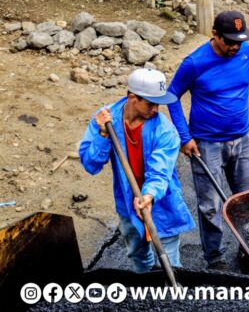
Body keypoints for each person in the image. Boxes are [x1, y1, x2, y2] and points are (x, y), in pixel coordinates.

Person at [168, 10, 249, 271]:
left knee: (248, 199)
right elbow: (172, 96)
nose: (235, 47)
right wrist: (185, 137)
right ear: (214, 34)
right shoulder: (195, 63)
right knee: (210, 206)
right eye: (230, 41)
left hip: (242, 139)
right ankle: (215, 259)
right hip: (206, 145)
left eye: (239, 41)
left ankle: (248, 251)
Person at [79, 68, 195, 273]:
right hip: (127, 203)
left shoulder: (166, 132)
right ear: (133, 97)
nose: (156, 110)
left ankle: (171, 292)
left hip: (161, 202)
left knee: (169, 265)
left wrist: (148, 196)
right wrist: (103, 135)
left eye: (158, 104)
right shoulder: (106, 119)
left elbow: (159, 173)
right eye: (151, 104)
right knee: (138, 257)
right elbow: (91, 165)